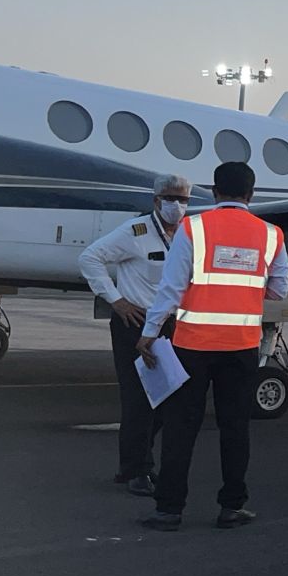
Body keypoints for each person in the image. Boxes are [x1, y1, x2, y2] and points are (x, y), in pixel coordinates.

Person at [135, 162, 288, 531]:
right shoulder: (271, 234)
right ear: (251, 194)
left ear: (215, 191)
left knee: (180, 428)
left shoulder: (193, 227)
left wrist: (150, 331)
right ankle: (232, 507)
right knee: (235, 428)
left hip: (193, 344)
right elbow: (280, 288)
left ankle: (169, 510)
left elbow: (171, 288)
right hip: (242, 345)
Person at [78, 174, 191, 496]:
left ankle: (135, 461)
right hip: (136, 323)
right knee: (139, 399)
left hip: (172, 324)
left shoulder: (187, 234)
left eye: (183, 200)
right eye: (170, 198)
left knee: (169, 398)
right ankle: (136, 470)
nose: (177, 205)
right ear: (156, 201)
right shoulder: (135, 232)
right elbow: (90, 258)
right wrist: (116, 300)